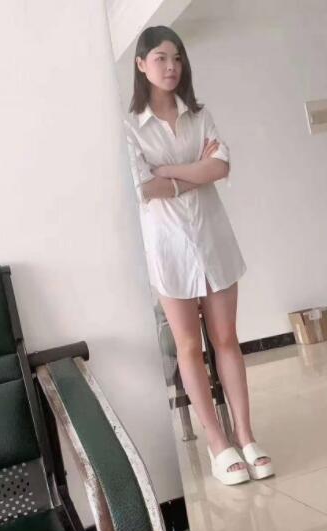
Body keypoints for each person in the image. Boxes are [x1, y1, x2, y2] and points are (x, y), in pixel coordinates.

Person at [124, 25, 274, 485]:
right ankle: (217, 443)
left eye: (177, 58)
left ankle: (246, 435)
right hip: (169, 250)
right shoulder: (129, 128)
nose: (171, 67)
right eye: (161, 58)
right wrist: (196, 172)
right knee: (189, 347)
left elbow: (221, 166)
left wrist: (169, 170)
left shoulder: (200, 115)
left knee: (227, 339)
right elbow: (142, 187)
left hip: (214, 241)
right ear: (141, 64)